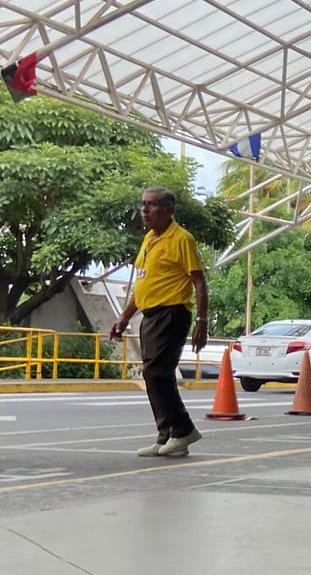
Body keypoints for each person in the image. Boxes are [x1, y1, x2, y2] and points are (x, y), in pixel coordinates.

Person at [109, 187, 207, 458]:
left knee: (158, 373)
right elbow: (142, 286)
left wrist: (202, 320)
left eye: (151, 205)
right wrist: (123, 317)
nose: (145, 210)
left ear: (169, 210)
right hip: (150, 315)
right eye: (143, 205)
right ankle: (167, 436)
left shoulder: (182, 239)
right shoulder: (149, 240)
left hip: (172, 312)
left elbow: (199, 281)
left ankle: (182, 429)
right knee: (152, 374)